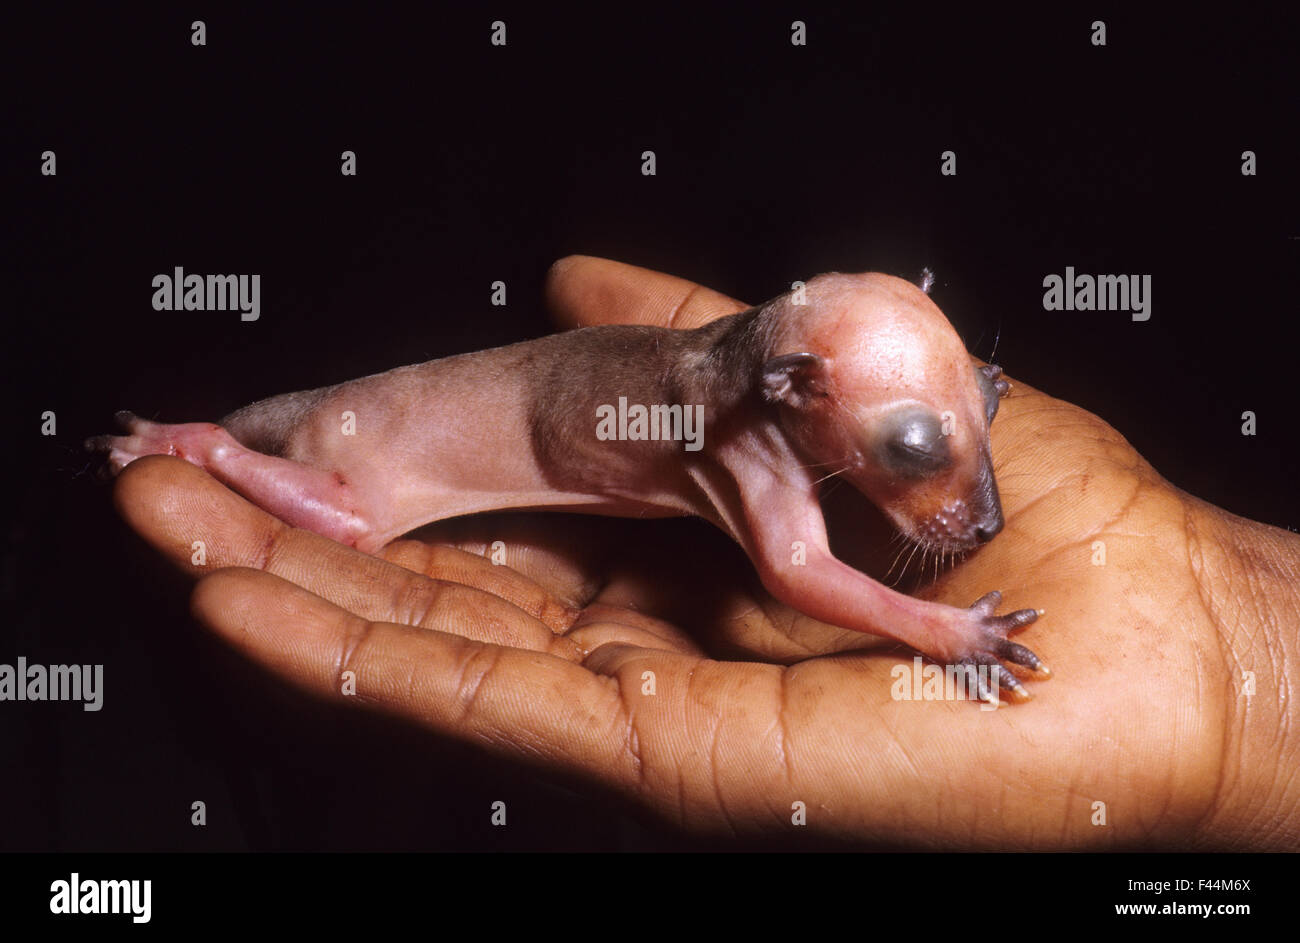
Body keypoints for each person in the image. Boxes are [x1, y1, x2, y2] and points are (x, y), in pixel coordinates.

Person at [109, 256, 1299, 849]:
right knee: (350, 528)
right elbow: (794, 575)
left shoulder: (772, 388)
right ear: (792, 393)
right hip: (365, 451)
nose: (970, 506)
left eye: (976, 399)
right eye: (917, 447)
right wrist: (950, 628)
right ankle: (203, 443)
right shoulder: (737, 426)